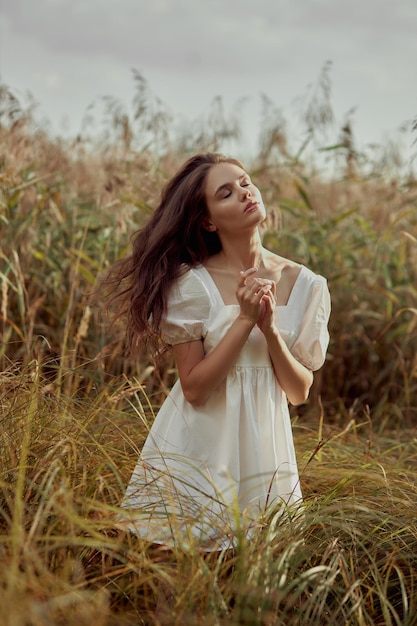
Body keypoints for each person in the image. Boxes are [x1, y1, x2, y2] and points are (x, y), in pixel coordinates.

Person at [106, 153, 331, 551]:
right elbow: (193, 389)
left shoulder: (306, 284)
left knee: (256, 583)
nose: (244, 193)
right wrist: (244, 322)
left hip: (266, 450)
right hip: (199, 447)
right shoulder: (192, 284)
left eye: (245, 182)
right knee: (176, 579)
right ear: (208, 220)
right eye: (225, 192)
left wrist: (270, 331)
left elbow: (298, 393)